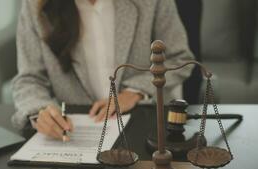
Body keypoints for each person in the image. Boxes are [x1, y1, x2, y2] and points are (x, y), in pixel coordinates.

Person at [12, 0, 194, 141]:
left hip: (141, 129)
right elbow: (30, 79)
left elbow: (179, 59)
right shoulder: (35, 6)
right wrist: (40, 112)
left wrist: (135, 92)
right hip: (72, 135)